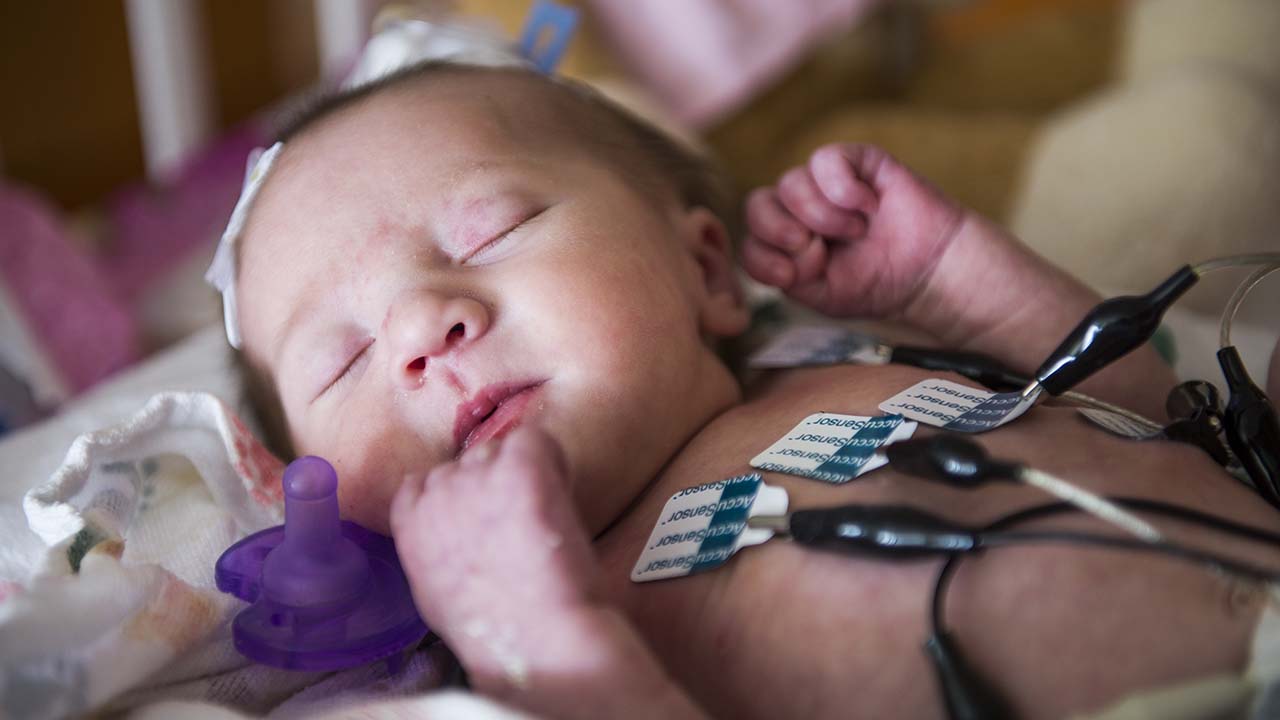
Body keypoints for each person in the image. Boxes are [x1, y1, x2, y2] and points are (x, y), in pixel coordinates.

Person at [226, 61, 1278, 719]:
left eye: (489, 232)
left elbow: (1142, 416)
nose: (420, 327)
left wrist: (951, 281)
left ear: (706, 270)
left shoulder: (840, 362)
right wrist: (533, 642)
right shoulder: (534, 632)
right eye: (344, 360)